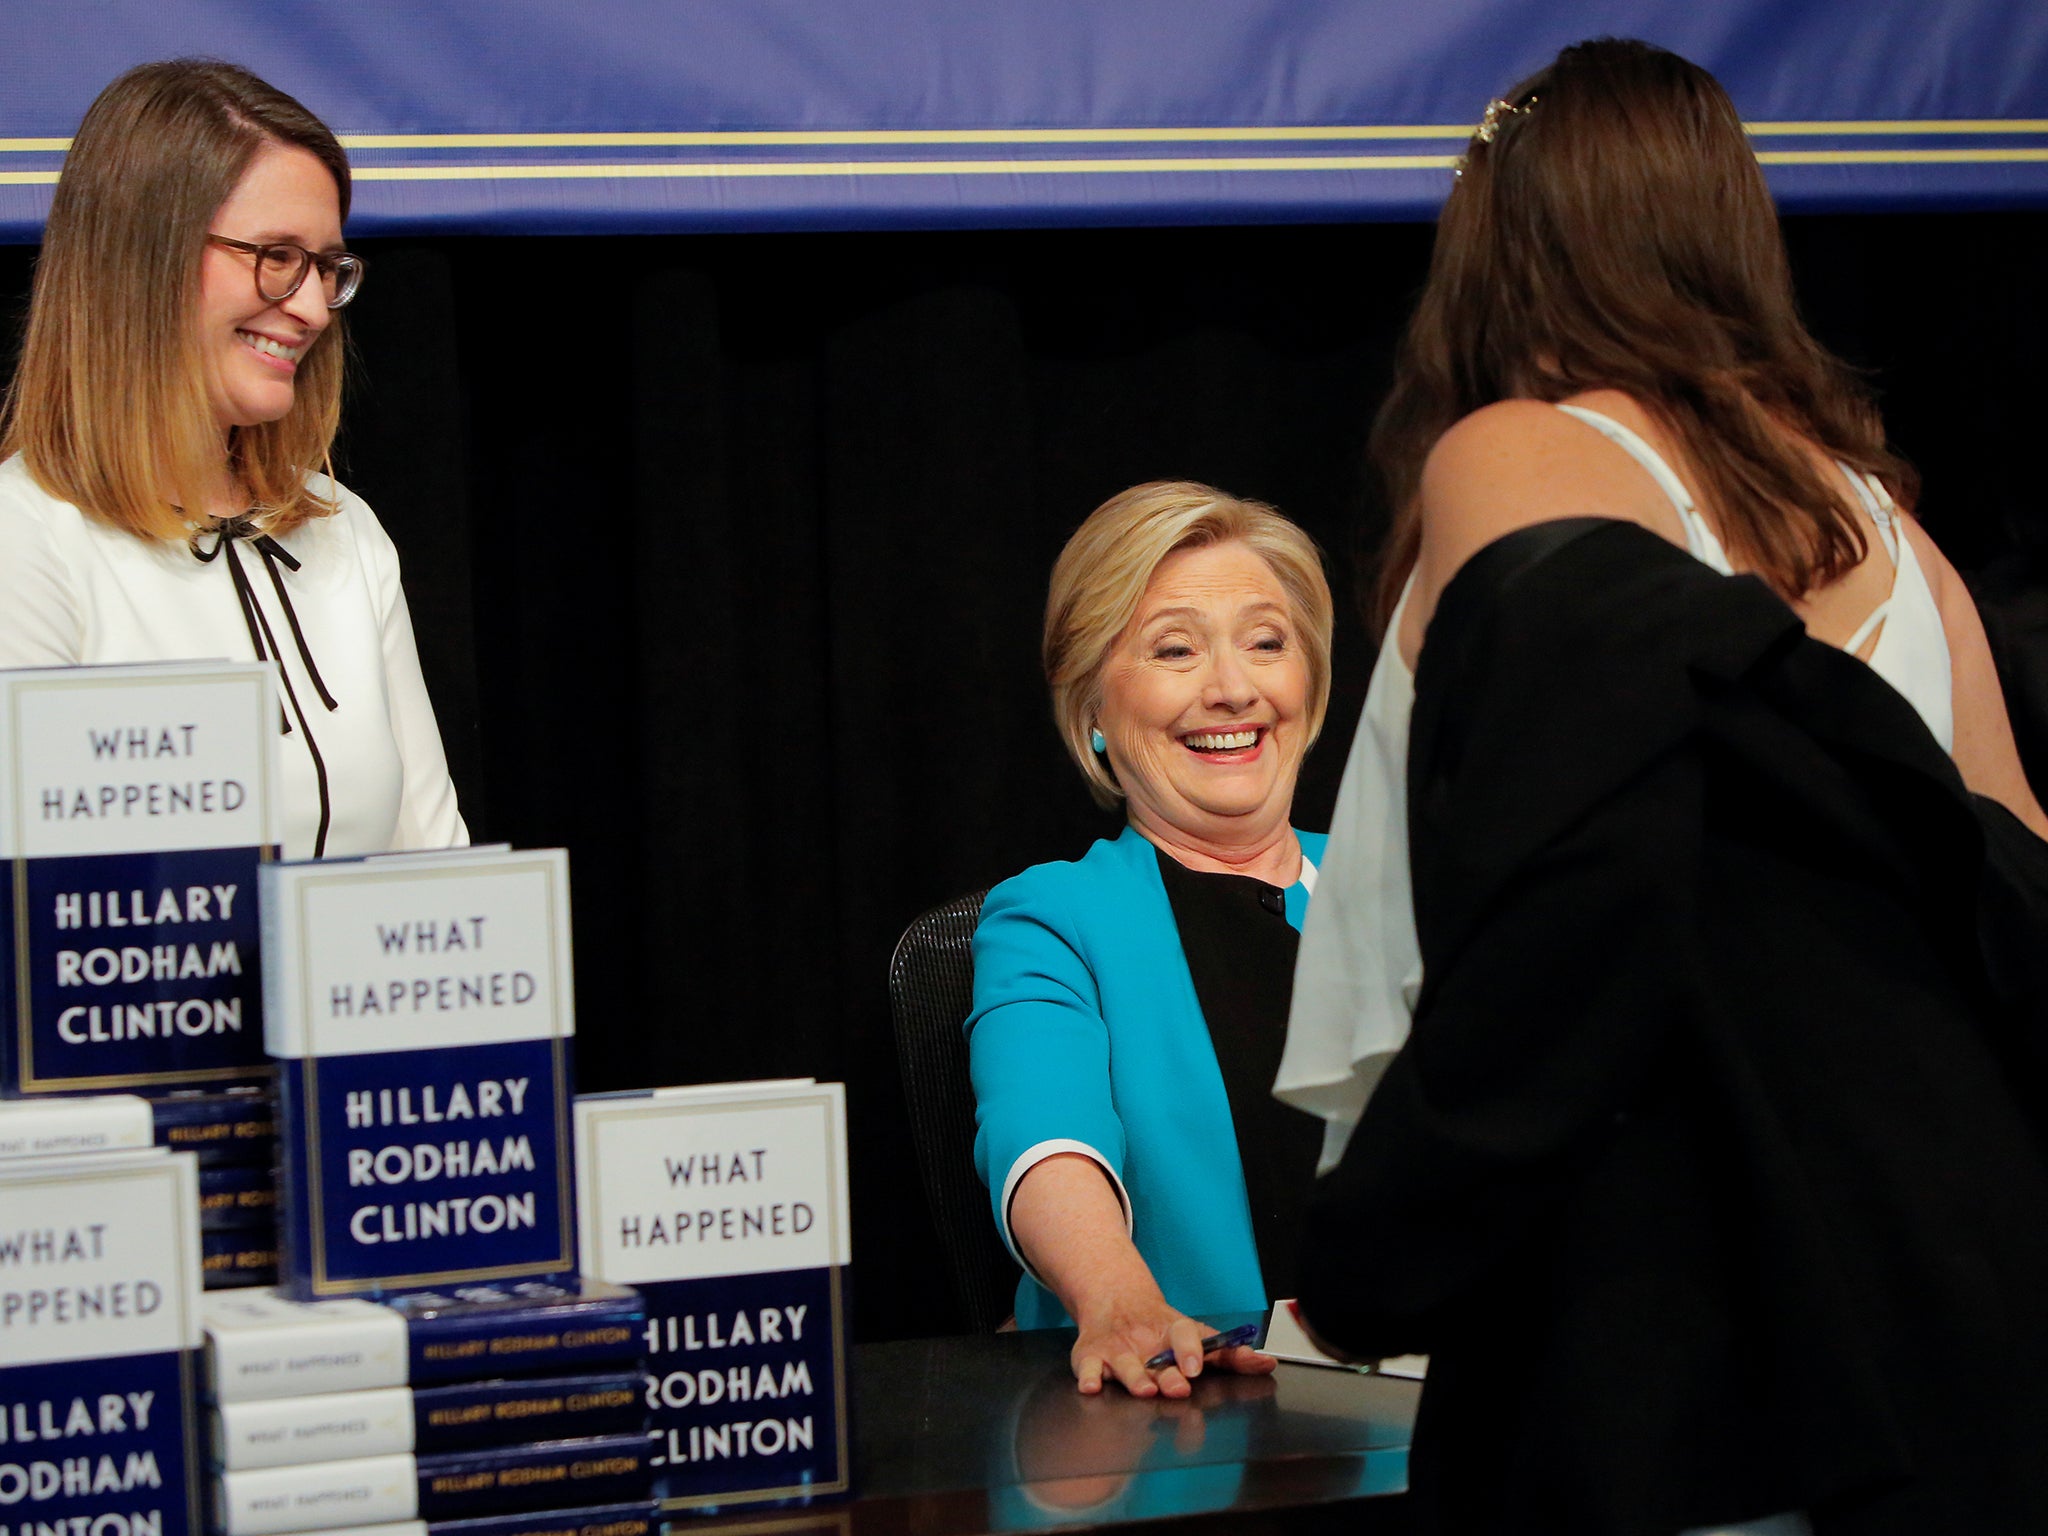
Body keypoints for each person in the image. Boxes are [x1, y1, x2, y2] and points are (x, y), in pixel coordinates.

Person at [1279, 38, 2048, 1536]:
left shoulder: (1522, 450)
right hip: (1941, 1334)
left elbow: (1587, 887)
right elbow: (2018, 892)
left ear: (1498, 238)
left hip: (1675, 1332)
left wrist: (1390, 1235)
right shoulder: (1884, 525)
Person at [0, 60, 466, 858]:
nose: (315, 306)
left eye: (325, 266)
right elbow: (40, 930)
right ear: (144, 258)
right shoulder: (25, 537)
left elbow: (430, 861)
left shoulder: (344, 531)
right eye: (276, 255)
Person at [967, 481, 1334, 1397]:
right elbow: (1044, 1137)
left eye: (1266, 642)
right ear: (1091, 707)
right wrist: (1115, 1294)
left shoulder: (1411, 888)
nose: (1232, 689)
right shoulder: (1055, 918)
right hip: (1187, 1418)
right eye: (1175, 650)